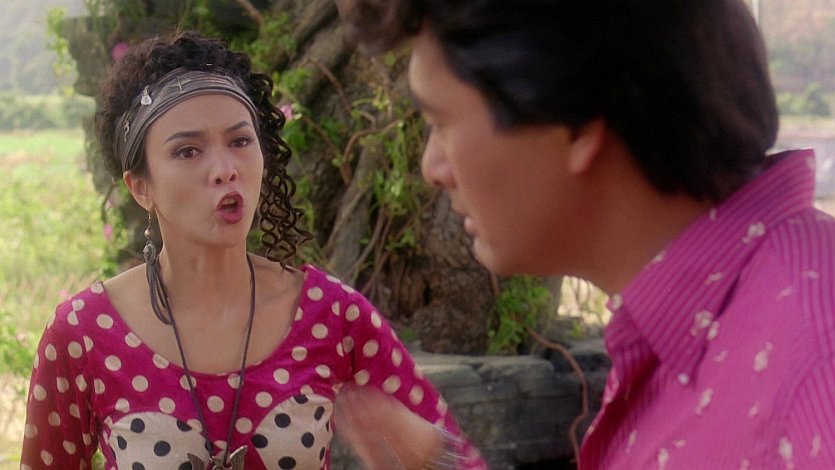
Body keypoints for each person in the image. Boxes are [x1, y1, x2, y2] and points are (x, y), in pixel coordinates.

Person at [337, 0, 835, 468]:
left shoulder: (817, 368)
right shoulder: (703, 326)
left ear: (574, 123)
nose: (432, 168)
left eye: (441, 122)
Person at [20, 31, 486, 470]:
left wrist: (425, 453)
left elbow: (466, 460)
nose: (225, 169)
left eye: (241, 141)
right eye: (187, 151)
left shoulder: (334, 316)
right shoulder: (82, 333)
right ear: (141, 187)